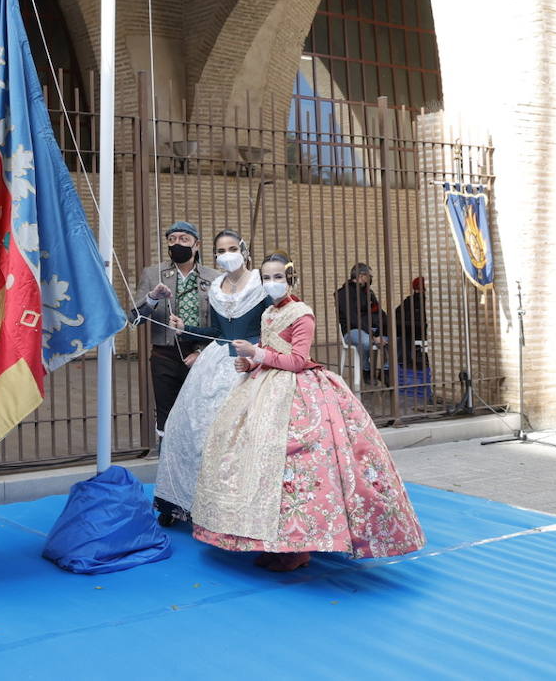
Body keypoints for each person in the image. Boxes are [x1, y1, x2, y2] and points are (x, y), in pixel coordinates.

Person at [191, 253, 425, 571]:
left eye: (278, 277)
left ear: (290, 278)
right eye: (266, 278)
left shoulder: (302, 314)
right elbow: (269, 350)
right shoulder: (269, 312)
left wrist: (257, 352)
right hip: (262, 387)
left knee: (298, 467)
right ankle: (266, 537)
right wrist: (249, 362)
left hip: (296, 392)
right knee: (255, 459)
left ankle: (297, 547)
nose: (272, 283)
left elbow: (298, 360)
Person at [152, 229, 270, 526]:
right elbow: (217, 332)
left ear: (243, 250)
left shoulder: (261, 283)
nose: (227, 255)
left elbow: (274, 326)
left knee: (237, 434)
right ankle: (183, 501)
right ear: (215, 256)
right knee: (186, 426)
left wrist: (260, 354)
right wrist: (186, 329)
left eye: (232, 249)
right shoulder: (216, 287)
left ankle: (235, 509)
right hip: (215, 362)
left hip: (250, 360)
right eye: (221, 251)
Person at [131, 221, 219, 443]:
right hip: (165, 355)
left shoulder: (214, 278)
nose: (177, 243)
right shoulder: (153, 274)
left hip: (201, 355)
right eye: (172, 239)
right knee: (166, 416)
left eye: (184, 239)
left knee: (199, 414)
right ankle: (166, 458)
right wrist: (152, 298)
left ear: (197, 245)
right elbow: (134, 318)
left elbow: (221, 325)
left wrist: (201, 352)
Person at [334, 262, 389, 380]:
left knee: (396, 340)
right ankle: (366, 369)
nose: (371, 279)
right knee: (366, 341)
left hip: (372, 329)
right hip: (352, 330)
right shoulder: (343, 293)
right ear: (361, 276)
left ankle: (386, 371)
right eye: (370, 276)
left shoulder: (368, 293)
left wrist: (381, 331)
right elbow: (353, 319)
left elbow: (379, 312)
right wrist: (373, 335)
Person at [394, 276, 428, 370]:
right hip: (414, 332)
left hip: (412, 333)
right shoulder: (410, 301)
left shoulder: (410, 300)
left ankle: (401, 364)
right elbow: (397, 314)